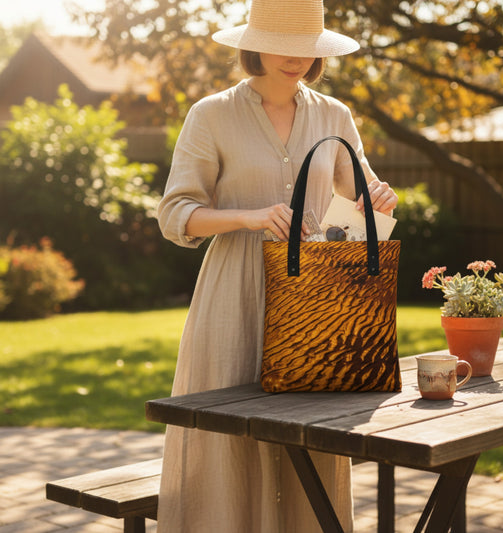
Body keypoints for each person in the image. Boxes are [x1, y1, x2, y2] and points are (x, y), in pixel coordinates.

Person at [156, 1, 398, 531]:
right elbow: (175, 215)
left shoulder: (335, 115)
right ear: (253, 44)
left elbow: (358, 195)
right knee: (228, 445)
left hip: (314, 298)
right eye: (283, 45)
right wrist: (249, 216)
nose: (296, 59)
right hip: (235, 297)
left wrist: (377, 198)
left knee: (312, 441)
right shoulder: (211, 114)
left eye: (306, 48)